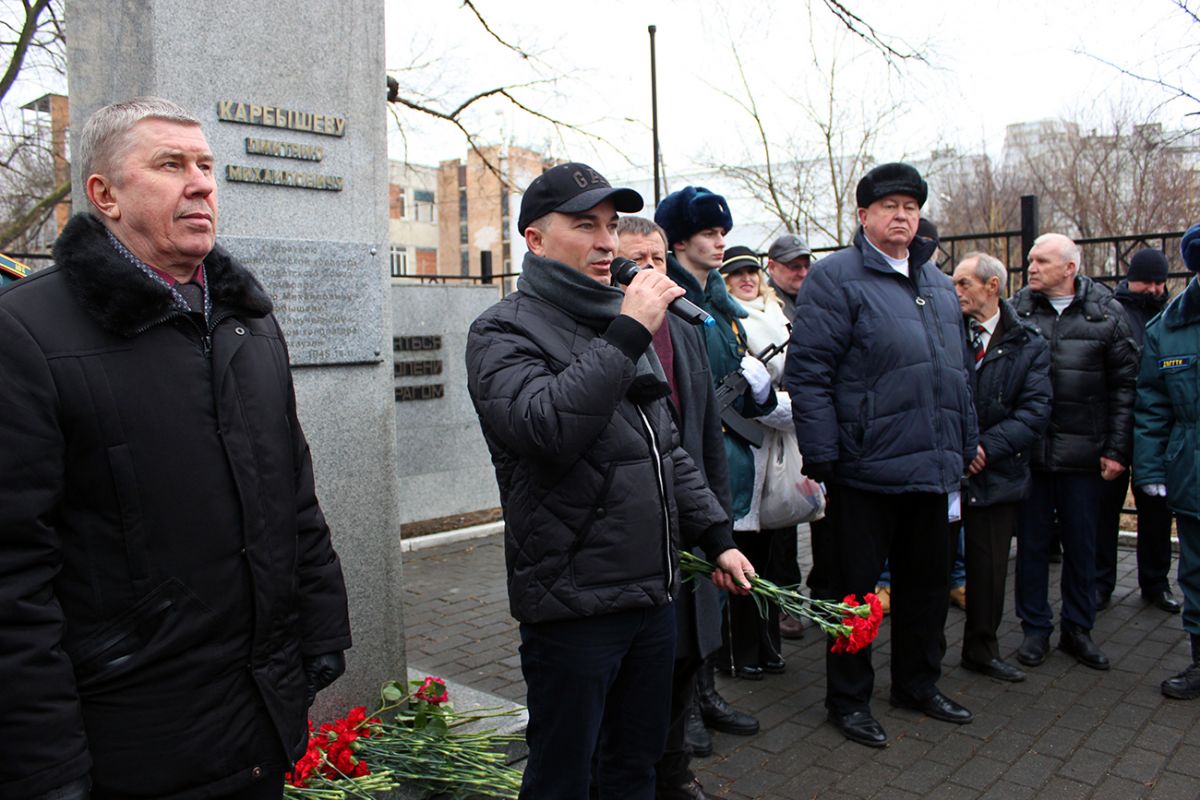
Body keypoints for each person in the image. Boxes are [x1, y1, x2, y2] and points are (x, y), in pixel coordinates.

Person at [0, 97, 351, 800]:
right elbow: (13, 577)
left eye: (206, 166)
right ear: (105, 194)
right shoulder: (26, 333)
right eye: (170, 165)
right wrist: (44, 764)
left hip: (258, 721)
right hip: (133, 738)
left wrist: (321, 633)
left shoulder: (248, 324)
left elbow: (293, 496)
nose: (201, 184)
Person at [465, 162, 755, 800]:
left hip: (652, 596)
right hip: (574, 602)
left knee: (634, 765)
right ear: (535, 241)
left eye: (609, 225)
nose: (605, 242)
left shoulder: (619, 323)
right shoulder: (502, 330)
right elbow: (546, 428)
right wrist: (627, 331)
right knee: (564, 775)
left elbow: (666, 448)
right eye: (584, 226)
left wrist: (716, 534)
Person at [784, 162, 978, 748]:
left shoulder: (940, 286)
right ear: (863, 216)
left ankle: (918, 683)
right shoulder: (836, 278)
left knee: (926, 586)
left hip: (933, 469)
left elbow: (959, 375)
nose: (902, 216)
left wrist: (965, 446)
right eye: (889, 205)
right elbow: (810, 373)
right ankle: (848, 699)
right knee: (855, 594)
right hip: (864, 472)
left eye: (911, 207)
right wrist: (824, 456)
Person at [616, 216, 757, 800]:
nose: (651, 272)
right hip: (637, 524)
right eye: (637, 261)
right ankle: (654, 763)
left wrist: (718, 522)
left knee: (691, 641)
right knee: (642, 667)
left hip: (693, 510)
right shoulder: (609, 331)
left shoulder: (686, 324)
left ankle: (679, 755)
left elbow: (704, 432)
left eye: (657, 260)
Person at [654, 188, 777, 686]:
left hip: (726, 452)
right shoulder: (679, 305)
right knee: (695, 584)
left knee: (718, 580)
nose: (719, 242)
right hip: (690, 454)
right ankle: (697, 694)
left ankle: (707, 690)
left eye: (722, 232)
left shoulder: (722, 308)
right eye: (708, 232)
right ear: (680, 241)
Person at [1011, 233, 1138, 671]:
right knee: (1030, 545)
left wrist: (1118, 449)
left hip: (1085, 455)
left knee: (1083, 545)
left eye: (1042, 261)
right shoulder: (1018, 309)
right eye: (1030, 260)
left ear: (1070, 268)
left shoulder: (1106, 314)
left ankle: (1078, 629)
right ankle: (1034, 629)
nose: (1031, 268)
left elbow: (1126, 388)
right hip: (1031, 452)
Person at [952, 252, 1052, 683]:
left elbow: (1035, 411)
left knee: (989, 569)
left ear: (992, 287)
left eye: (964, 284)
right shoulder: (943, 333)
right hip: (943, 469)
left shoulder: (1028, 342)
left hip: (996, 472)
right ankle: (920, 655)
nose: (955, 292)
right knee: (928, 565)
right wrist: (957, 446)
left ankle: (981, 649)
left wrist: (984, 449)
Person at [721, 245, 808, 658]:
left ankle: (768, 646)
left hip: (782, 451)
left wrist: (774, 401)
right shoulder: (727, 323)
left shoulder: (780, 318)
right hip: (744, 456)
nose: (746, 279)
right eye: (735, 274)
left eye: (751, 271)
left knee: (777, 558)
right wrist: (769, 402)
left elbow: (802, 389)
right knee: (744, 561)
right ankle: (742, 653)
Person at [1134, 223, 1200, 700]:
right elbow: (1152, 407)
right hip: (1192, 470)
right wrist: (1152, 471)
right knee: (1195, 572)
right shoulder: (1169, 328)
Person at [1096, 248, 1180, 613]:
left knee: (1157, 510)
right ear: (1132, 278)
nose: (1155, 288)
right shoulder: (1112, 311)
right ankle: (1101, 583)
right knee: (1105, 510)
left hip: (1155, 429)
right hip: (1116, 425)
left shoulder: (1170, 314)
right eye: (1149, 281)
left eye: (1161, 282)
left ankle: (1156, 583)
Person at [765, 233, 813, 322]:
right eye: (795, 267)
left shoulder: (821, 296)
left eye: (807, 266)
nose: (803, 273)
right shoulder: (765, 305)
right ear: (772, 267)